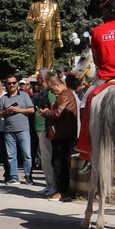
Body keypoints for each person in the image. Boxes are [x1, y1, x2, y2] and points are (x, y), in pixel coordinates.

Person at [39, 71, 80, 201]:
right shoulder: (66, 94)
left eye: (52, 89)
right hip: (62, 133)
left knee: (59, 163)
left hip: (62, 134)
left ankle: (63, 191)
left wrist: (46, 113)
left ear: (57, 85)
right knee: (60, 162)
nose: (52, 92)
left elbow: (57, 113)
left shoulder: (64, 96)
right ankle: (62, 190)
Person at [0, 76, 37, 184]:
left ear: (17, 83)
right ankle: (14, 177)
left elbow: (32, 109)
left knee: (27, 154)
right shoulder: (4, 98)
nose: (11, 85)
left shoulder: (24, 96)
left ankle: (28, 176)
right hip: (9, 131)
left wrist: (18, 110)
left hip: (23, 129)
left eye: (13, 83)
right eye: (9, 83)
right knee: (11, 156)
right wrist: (6, 111)